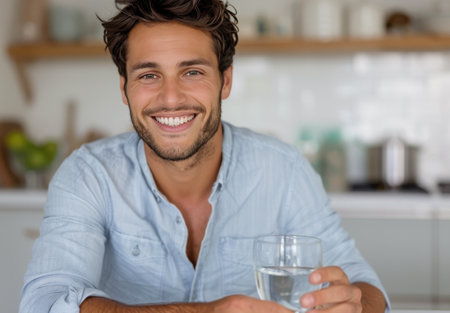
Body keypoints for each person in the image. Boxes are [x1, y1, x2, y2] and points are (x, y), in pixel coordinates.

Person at [19, 0, 389, 312]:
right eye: (149, 76)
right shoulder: (88, 175)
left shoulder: (283, 169)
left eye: (192, 72)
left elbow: (367, 287)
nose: (170, 98)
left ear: (225, 80)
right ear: (125, 88)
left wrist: (353, 302)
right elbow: (44, 301)